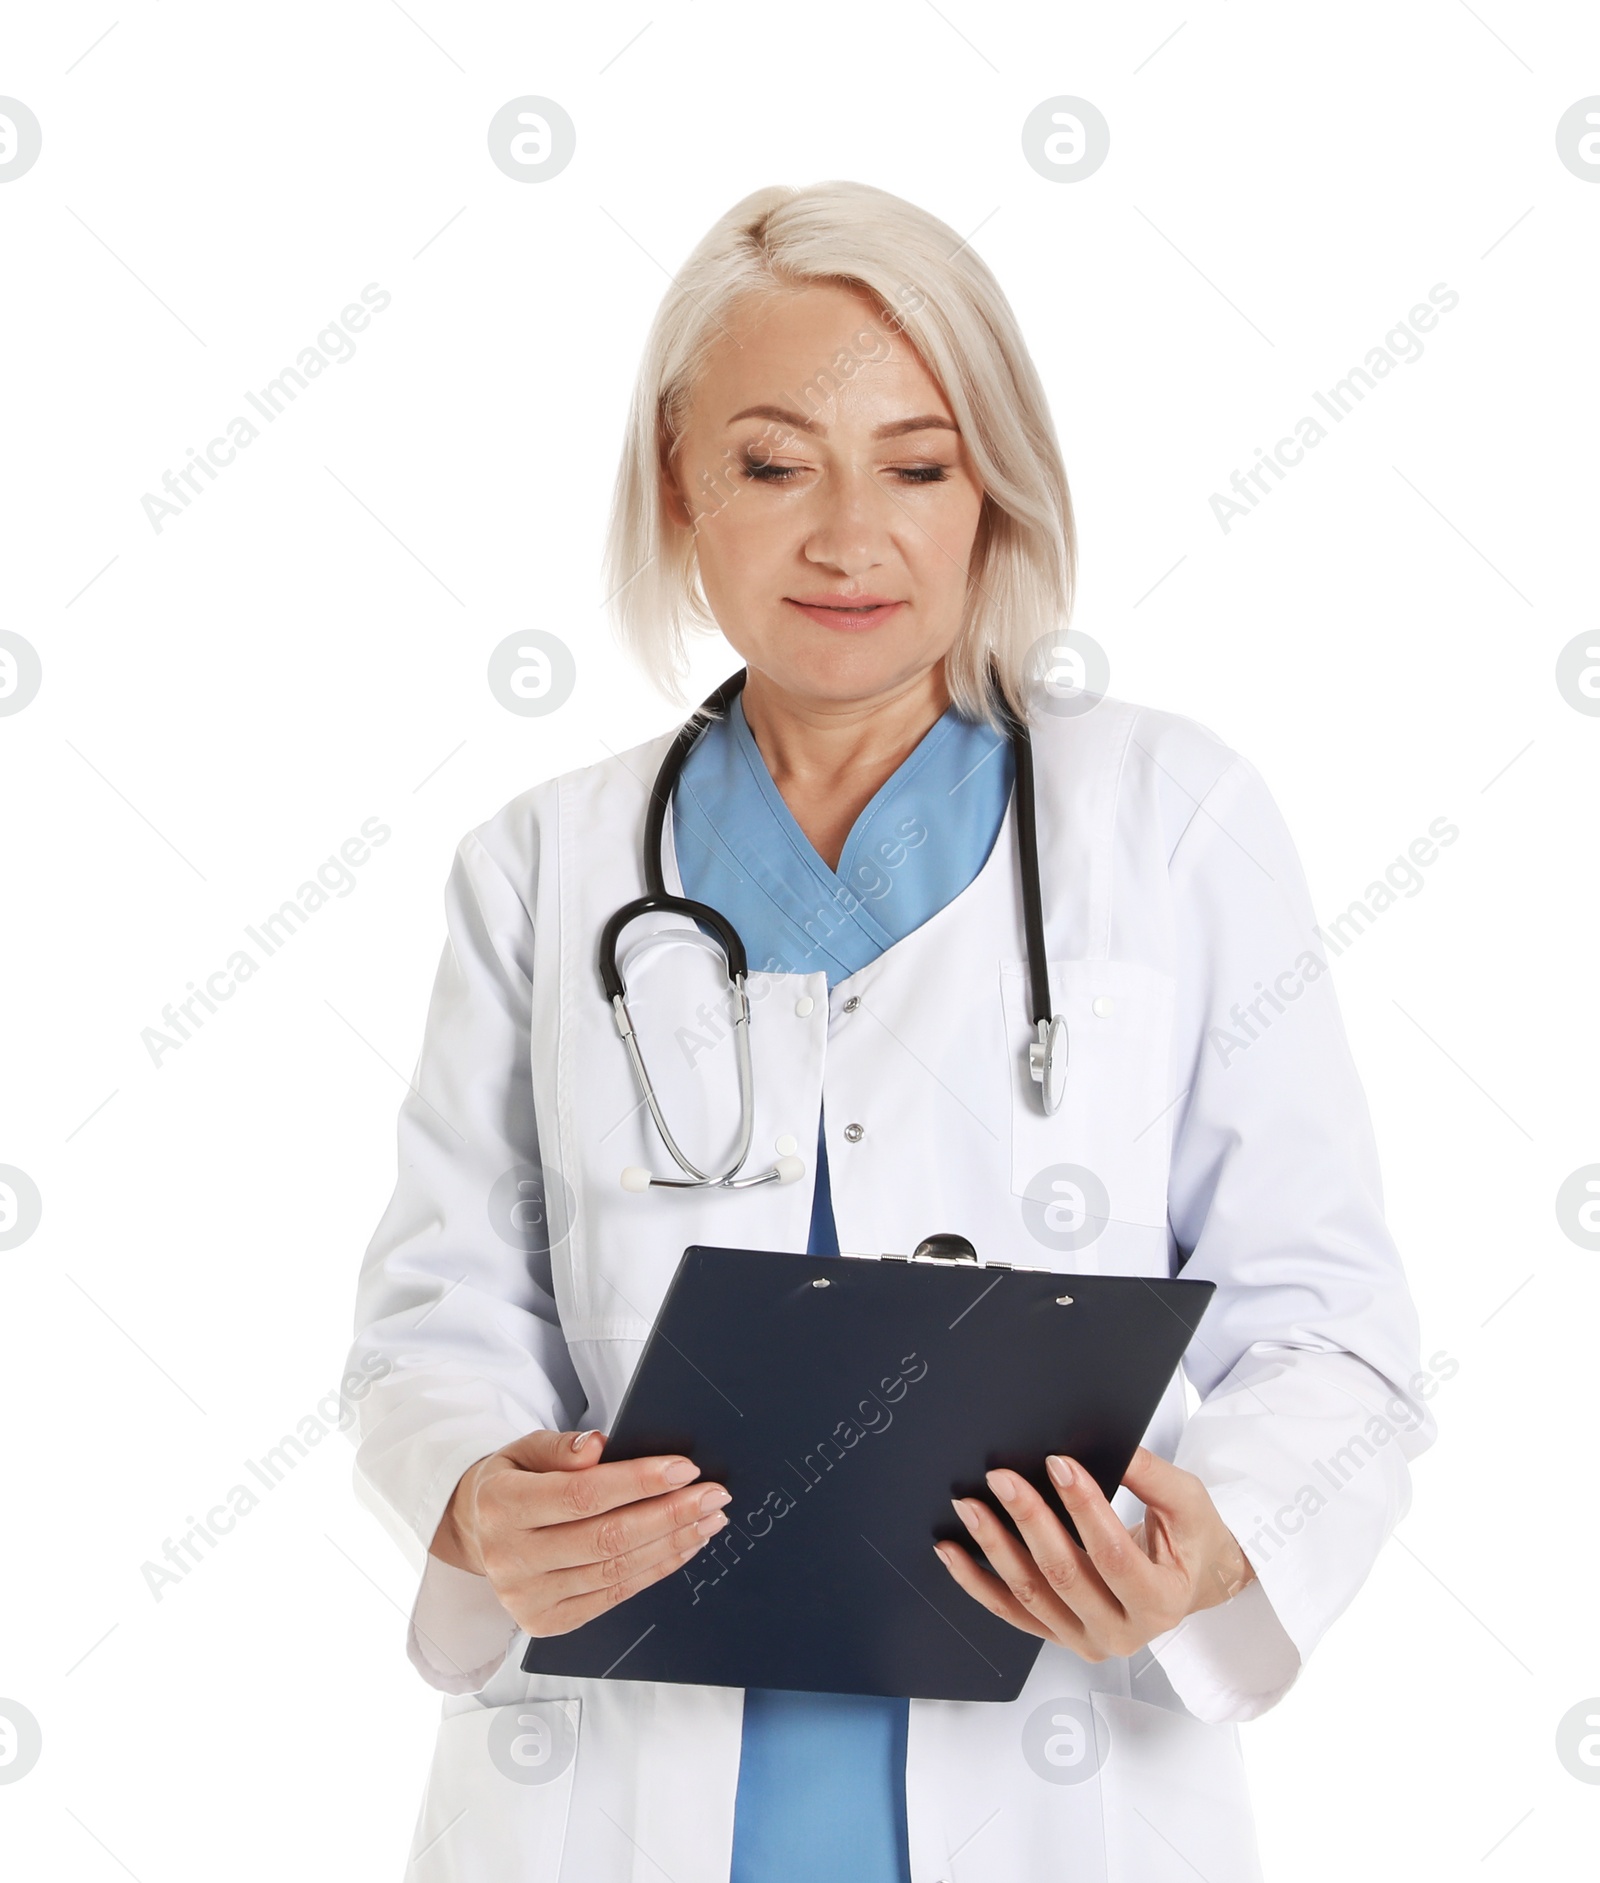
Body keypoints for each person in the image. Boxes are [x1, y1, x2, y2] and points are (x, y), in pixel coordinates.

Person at [346, 180, 1434, 1882]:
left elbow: (1332, 1332)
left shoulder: (1172, 824)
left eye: (918, 466)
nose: (849, 538)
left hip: (1064, 1770)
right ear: (677, 483)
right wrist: (485, 1492)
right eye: (775, 465)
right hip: (612, 1799)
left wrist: (1230, 1544)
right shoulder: (544, 869)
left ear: (994, 491)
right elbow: (435, 1321)